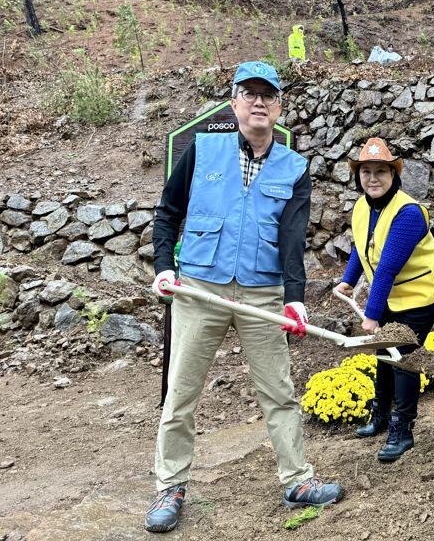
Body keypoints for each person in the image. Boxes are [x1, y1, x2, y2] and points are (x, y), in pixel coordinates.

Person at [146, 61, 343, 533]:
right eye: (249, 93)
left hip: (261, 294)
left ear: (279, 107)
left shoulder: (294, 167)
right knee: (181, 394)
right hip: (200, 290)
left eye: (267, 95)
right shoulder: (203, 150)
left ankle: (297, 481)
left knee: (279, 392)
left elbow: (293, 238)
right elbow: (167, 212)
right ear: (234, 103)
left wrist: (294, 299)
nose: (258, 102)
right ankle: (170, 486)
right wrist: (164, 268)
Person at [334, 138, 434, 463]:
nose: (373, 178)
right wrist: (347, 280)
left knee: (403, 358)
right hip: (392, 298)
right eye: (366, 172)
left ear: (394, 174)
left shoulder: (408, 213)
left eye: (381, 171)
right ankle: (380, 417)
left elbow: (386, 268)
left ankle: (403, 429)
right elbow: (361, 246)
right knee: (384, 354)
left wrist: (371, 314)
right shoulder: (363, 206)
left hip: (418, 298)